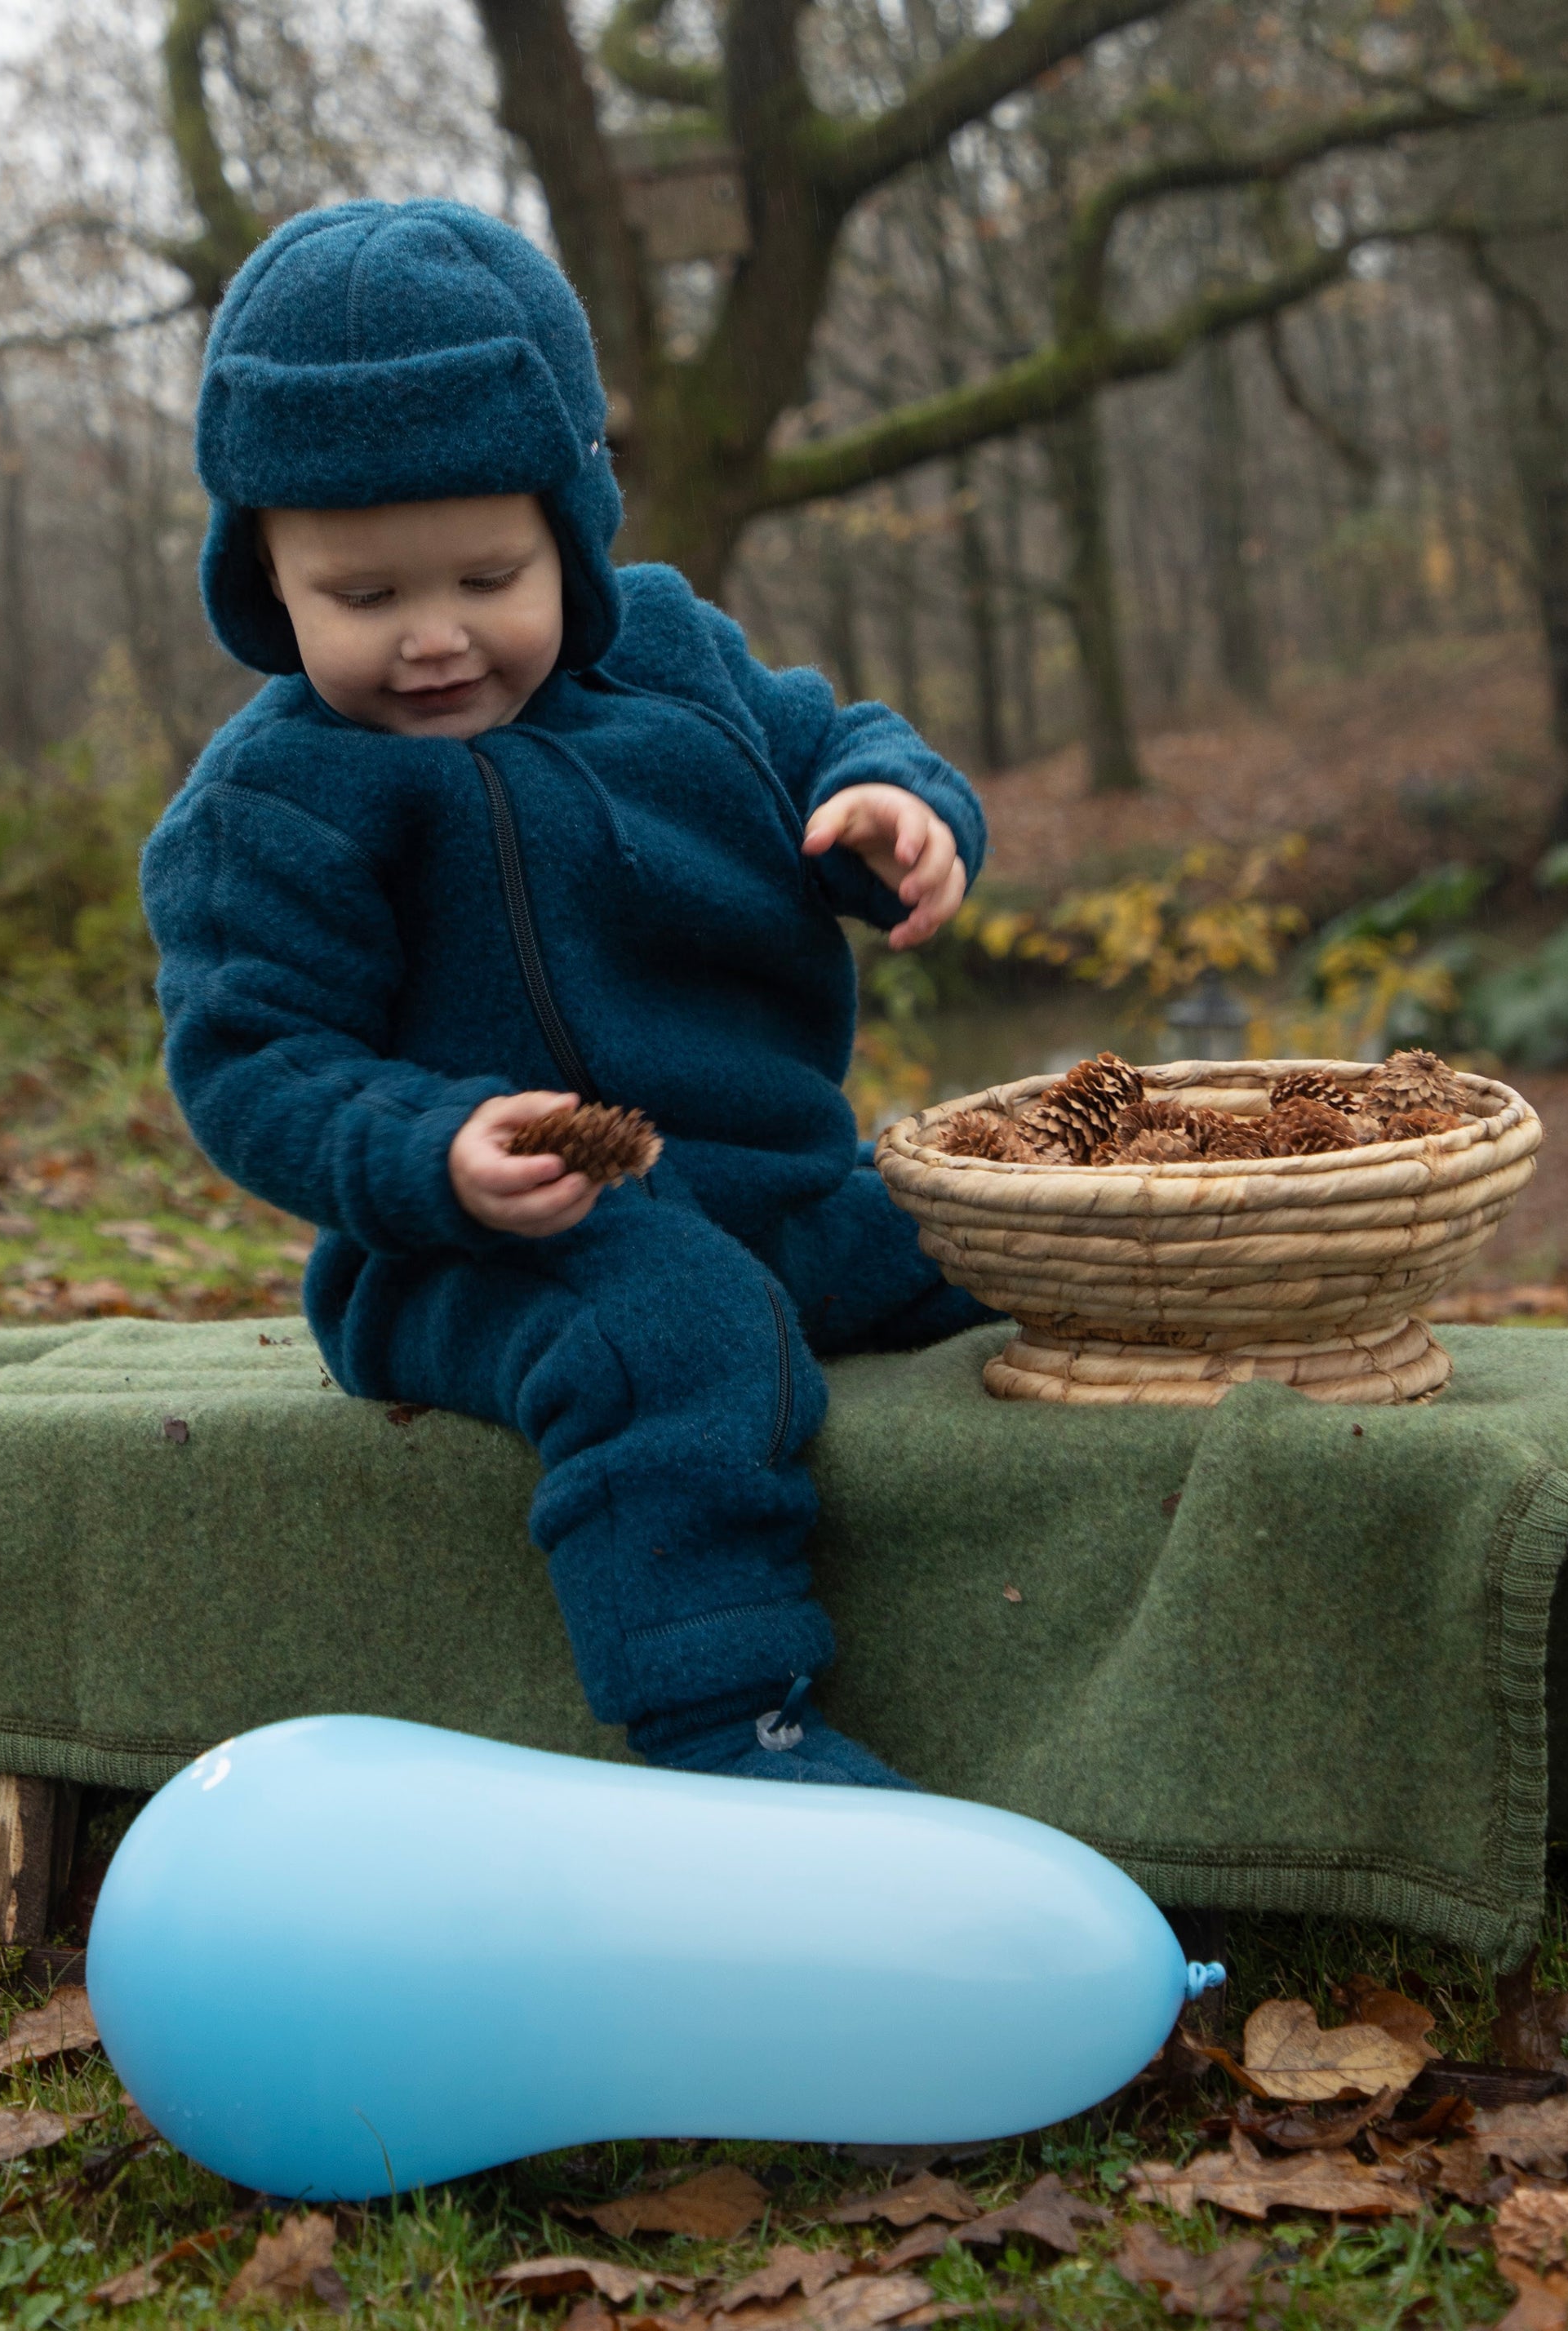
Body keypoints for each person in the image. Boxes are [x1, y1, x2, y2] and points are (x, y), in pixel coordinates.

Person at [142, 198, 995, 1791]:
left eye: (489, 574)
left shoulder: (670, 653)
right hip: (478, 1254)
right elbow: (252, 1055)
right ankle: (728, 1726)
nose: (434, 639)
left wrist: (892, 811)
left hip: (781, 1192)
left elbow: (832, 738)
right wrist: (434, 1151)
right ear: (265, 578)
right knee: (666, 1328)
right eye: (363, 598)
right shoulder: (276, 802)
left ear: (572, 531)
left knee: (996, 1222)